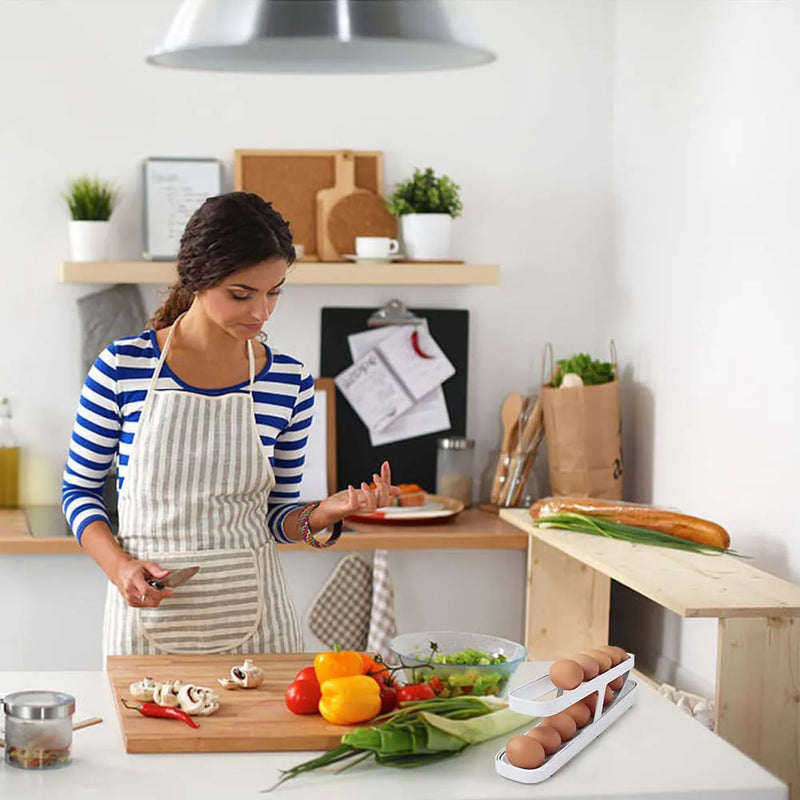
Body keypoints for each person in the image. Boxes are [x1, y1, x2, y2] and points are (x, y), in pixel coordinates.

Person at [62, 192, 398, 657]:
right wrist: (119, 567)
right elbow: (78, 492)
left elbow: (278, 520)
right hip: (147, 623)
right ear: (198, 278)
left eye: (274, 291)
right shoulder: (122, 366)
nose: (261, 313)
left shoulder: (289, 382)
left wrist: (326, 512)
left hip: (260, 626)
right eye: (242, 294)